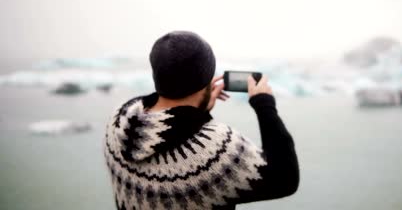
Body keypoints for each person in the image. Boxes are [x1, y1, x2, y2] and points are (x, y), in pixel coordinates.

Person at [103, 31, 299, 210]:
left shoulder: (118, 121)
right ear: (206, 78)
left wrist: (196, 112)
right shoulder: (216, 152)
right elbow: (285, 178)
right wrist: (264, 104)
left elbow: (162, 128)